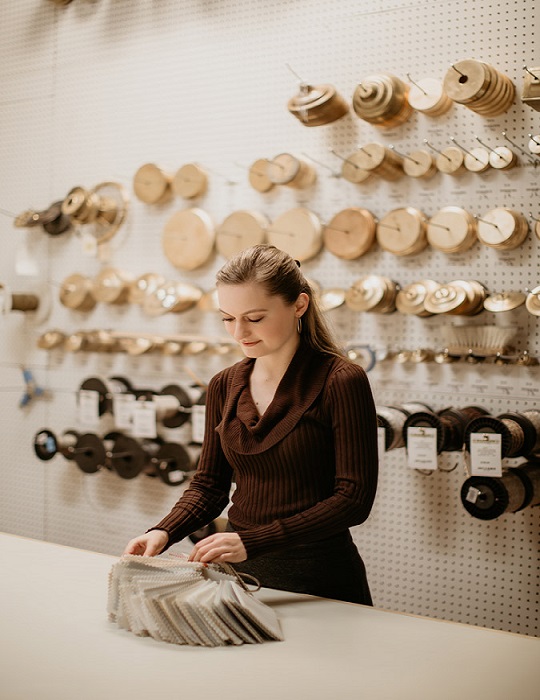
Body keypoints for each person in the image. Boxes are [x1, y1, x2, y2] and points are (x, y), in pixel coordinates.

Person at [124, 244, 379, 604]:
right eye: (227, 318)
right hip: (239, 574)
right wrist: (164, 531)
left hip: (319, 580)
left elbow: (354, 499)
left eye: (255, 318)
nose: (238, 332)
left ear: (299, 306)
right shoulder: (224, 385)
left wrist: (252, 541)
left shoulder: (341, 380)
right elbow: (209, 485)